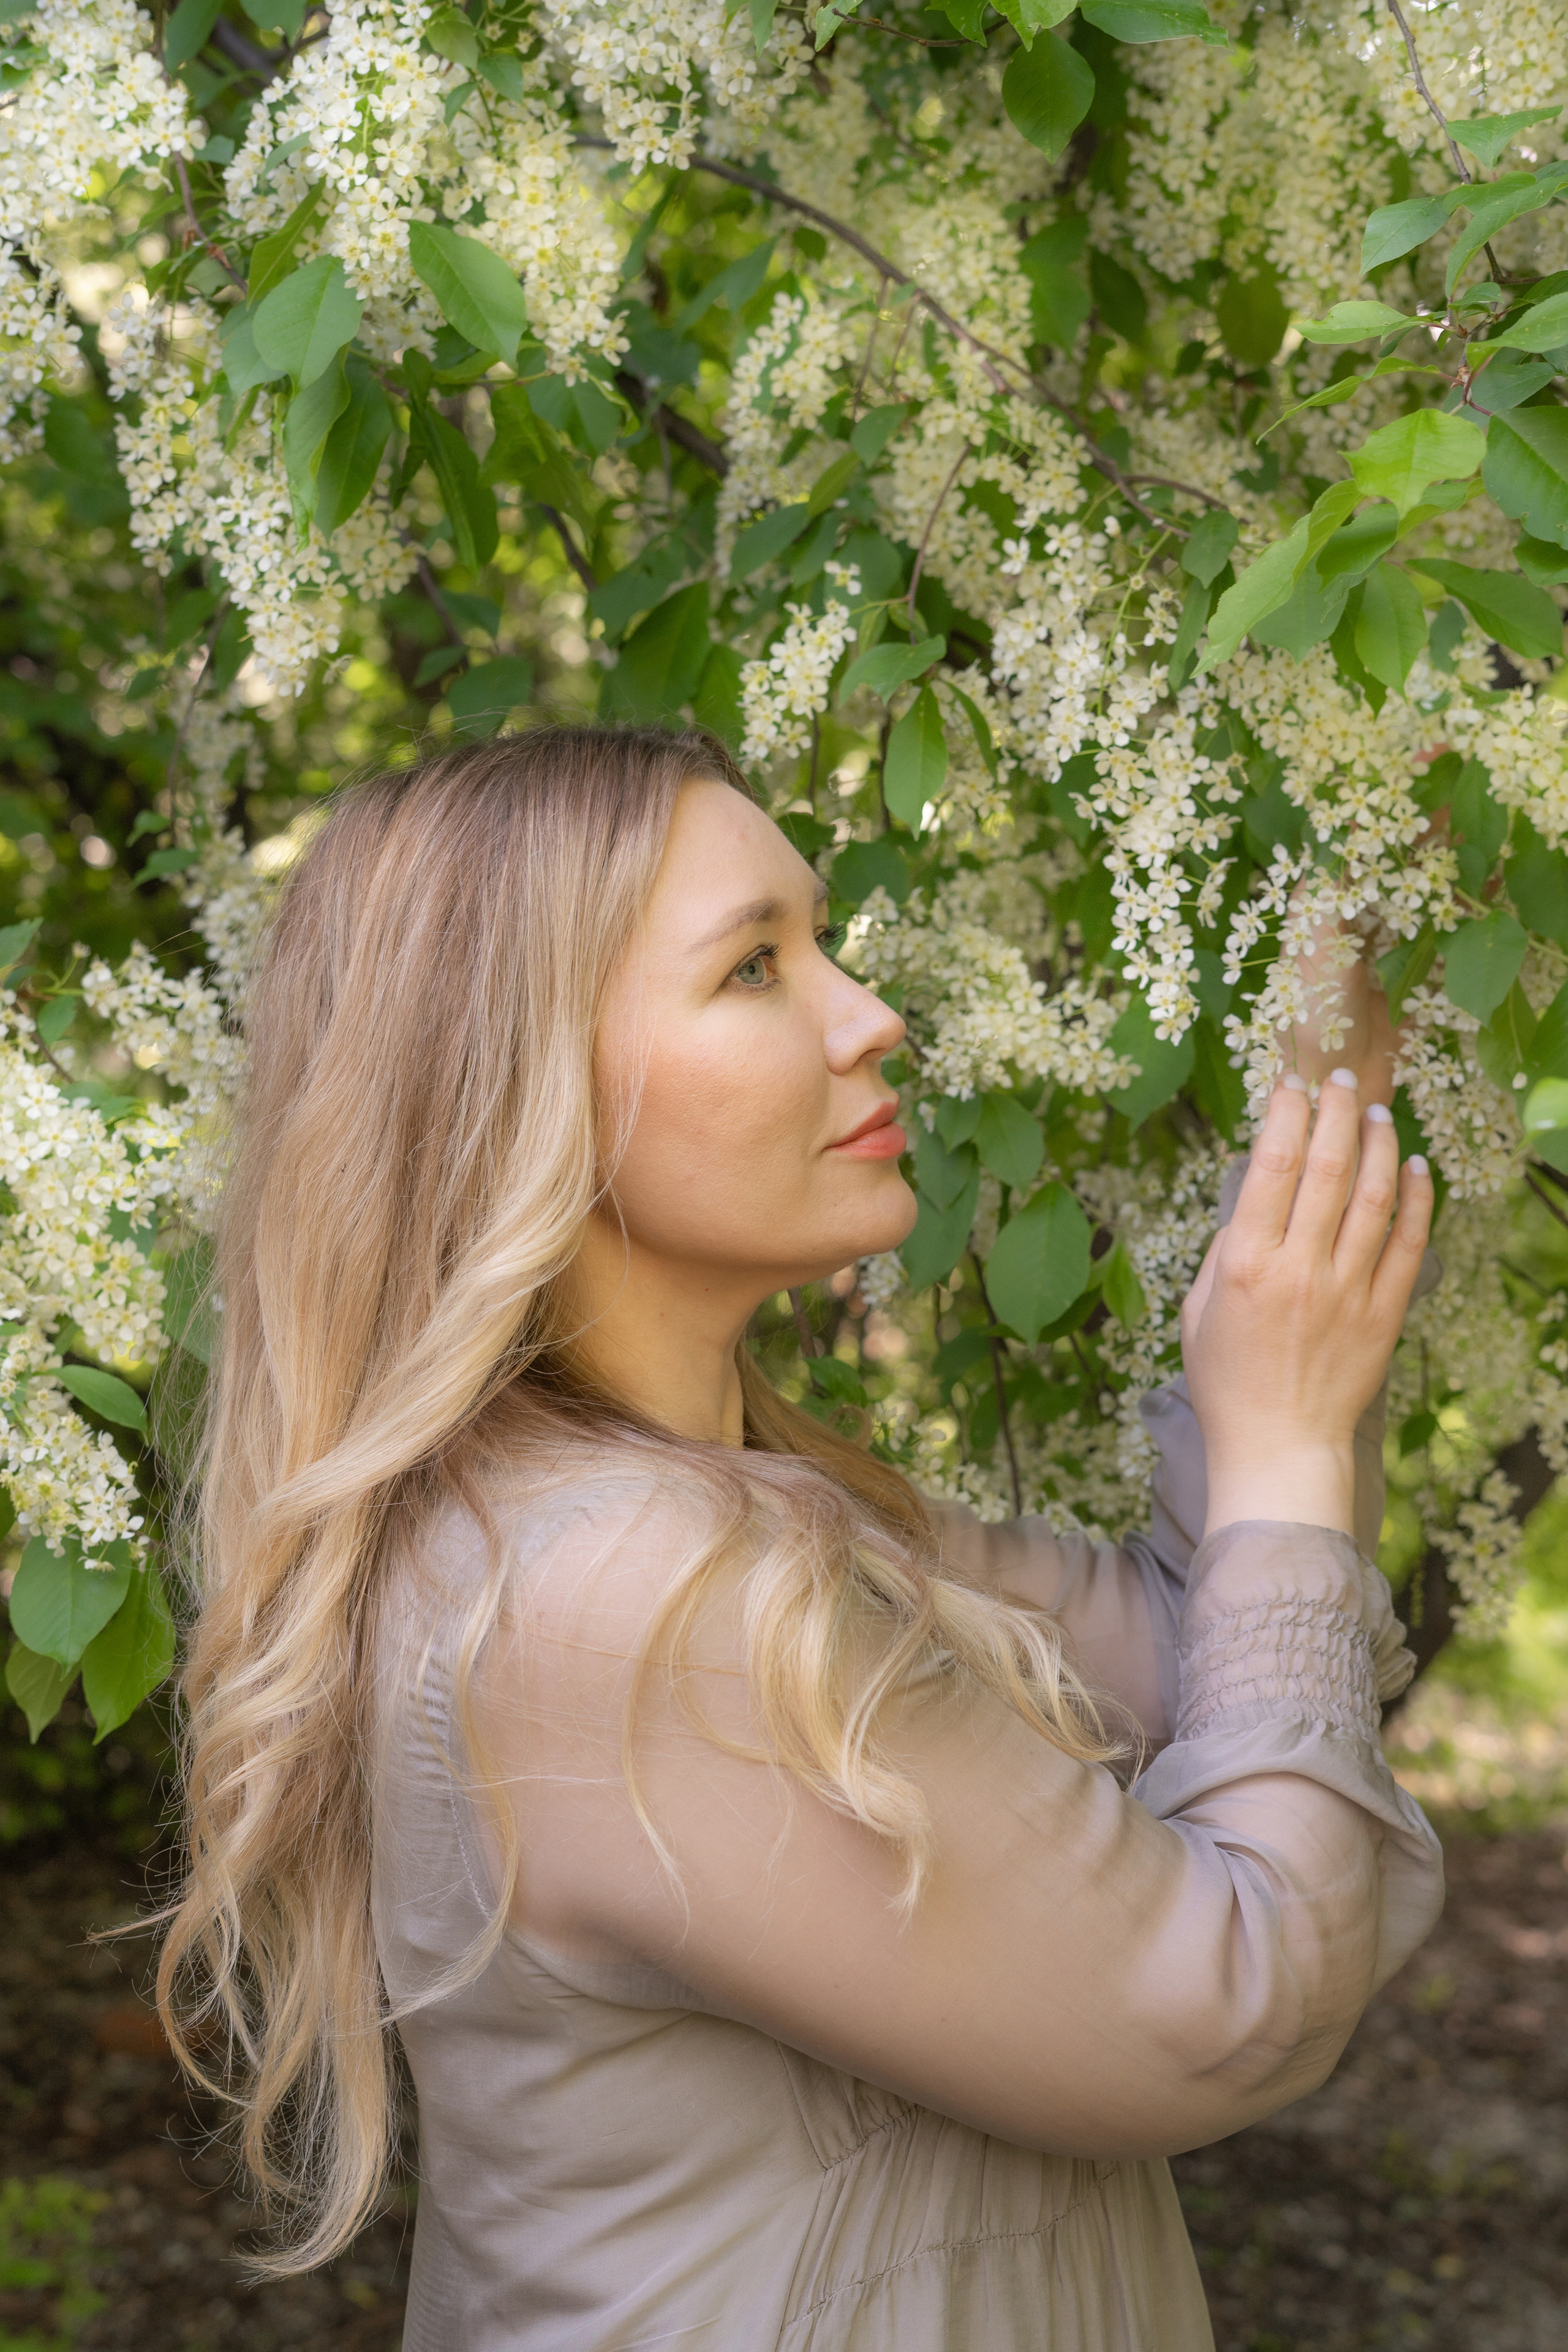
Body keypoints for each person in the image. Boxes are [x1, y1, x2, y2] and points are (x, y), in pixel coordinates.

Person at [157, 723, 1443, 2351]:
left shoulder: (731, 1508)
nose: (868, 1014)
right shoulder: (613, 1591)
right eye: (755, 968)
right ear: (521, 1081)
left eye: (816, 940)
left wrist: (1323, 1122)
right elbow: (1230, 2004)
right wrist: (1282, 1437)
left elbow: (1207, 1647)